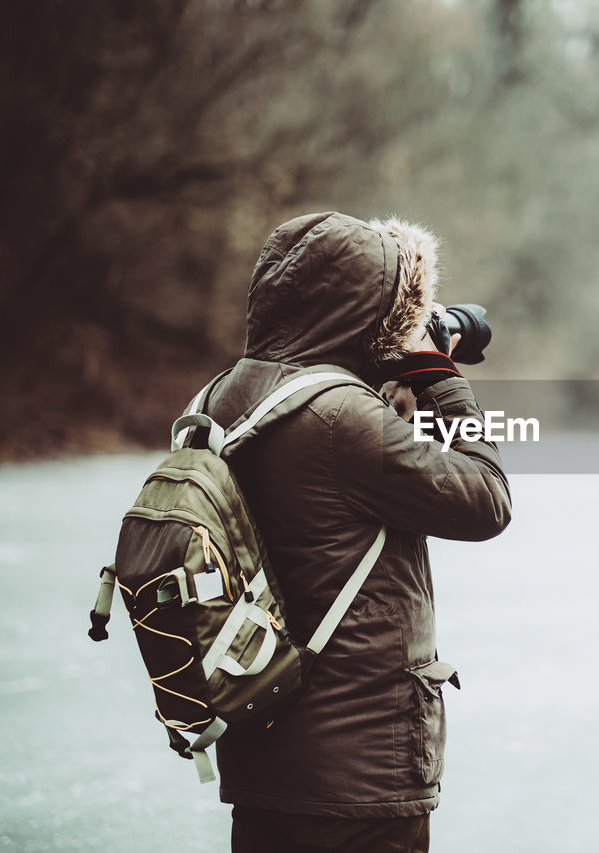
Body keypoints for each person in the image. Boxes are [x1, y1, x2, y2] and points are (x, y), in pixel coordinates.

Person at [199, 211, 512, 852]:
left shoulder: (222, 396)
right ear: (378, 314)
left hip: (261, 748)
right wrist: (442, 381)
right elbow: (485, 499)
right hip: (359, 776)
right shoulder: (344, 417)